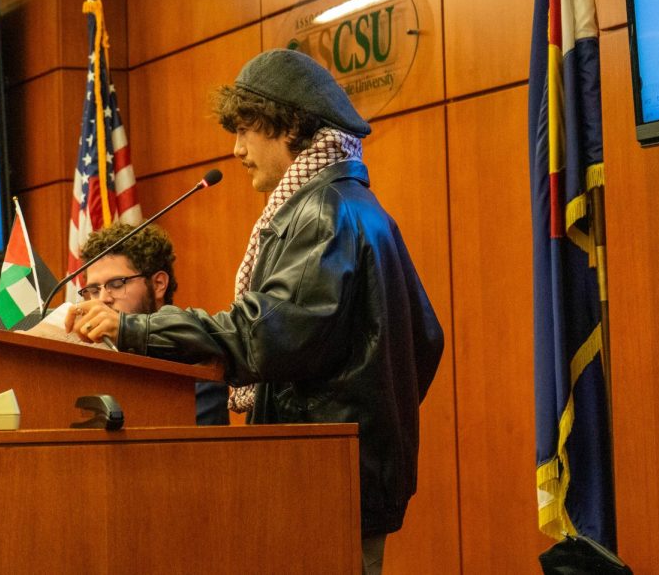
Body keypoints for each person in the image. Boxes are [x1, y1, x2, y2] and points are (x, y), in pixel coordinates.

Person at [66, 48, 444, 574]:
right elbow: (426, 339)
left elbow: (260, 336)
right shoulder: (354, 205)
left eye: (246, 130)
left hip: (319, 475)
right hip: (345, 470)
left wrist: (134, 328)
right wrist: (374, 412)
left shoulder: (321, 213)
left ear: (289, 126)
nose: (237, 149)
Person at [72, 221, 229, 426]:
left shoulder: (195, 359)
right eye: (93, 290)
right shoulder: (86, 364)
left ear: (158, 284)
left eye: (116, 284)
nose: (102, 299)